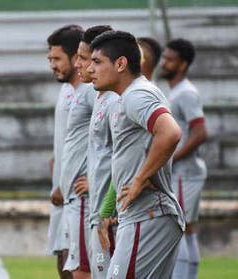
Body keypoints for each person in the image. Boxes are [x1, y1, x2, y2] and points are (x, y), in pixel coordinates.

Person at [87, 30, 185, 278]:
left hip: (148, 215)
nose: (90, 69)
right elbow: (125, 159)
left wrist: (140, 180)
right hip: (142, 216)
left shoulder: (136, 95)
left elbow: (171, 132)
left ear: (120, 64)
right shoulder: (124, 98)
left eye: (96, 62)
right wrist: (110, 208)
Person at [160, 38, 208, 279]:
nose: (164, 62)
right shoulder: (176, 92)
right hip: (183, 173)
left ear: (183, 65)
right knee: (186, 230)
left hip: (184, 173)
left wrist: (170, 158)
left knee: (177, 229)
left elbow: (200, 133)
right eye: (164, 57)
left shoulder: (186, 93)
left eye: (170, 59)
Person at [75, 24, 116, 279]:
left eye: (86, 58)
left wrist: (109, 208)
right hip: (97, 209)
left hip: (108, 213)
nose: (80, 64)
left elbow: (125, 155)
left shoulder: (115, 101)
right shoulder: (99, 96)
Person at [56, 25, 95, 279]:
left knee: (82, 271)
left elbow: (118, 142)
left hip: (86, 199)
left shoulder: (94, 92)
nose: (79, 63)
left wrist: (96, 177)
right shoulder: (76, 91)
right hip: (73, 195)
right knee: (74, 266)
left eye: (84, 58)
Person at [46, 24, 84, 279]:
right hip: (62, 193)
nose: (52, 64)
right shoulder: (65, 90)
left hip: (80, 197)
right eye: (50, 59)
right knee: (63, 261)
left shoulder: (91, 92)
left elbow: (102, 144)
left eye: (57, 59)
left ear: (75, 57)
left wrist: (90, 178)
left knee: (77, 267)